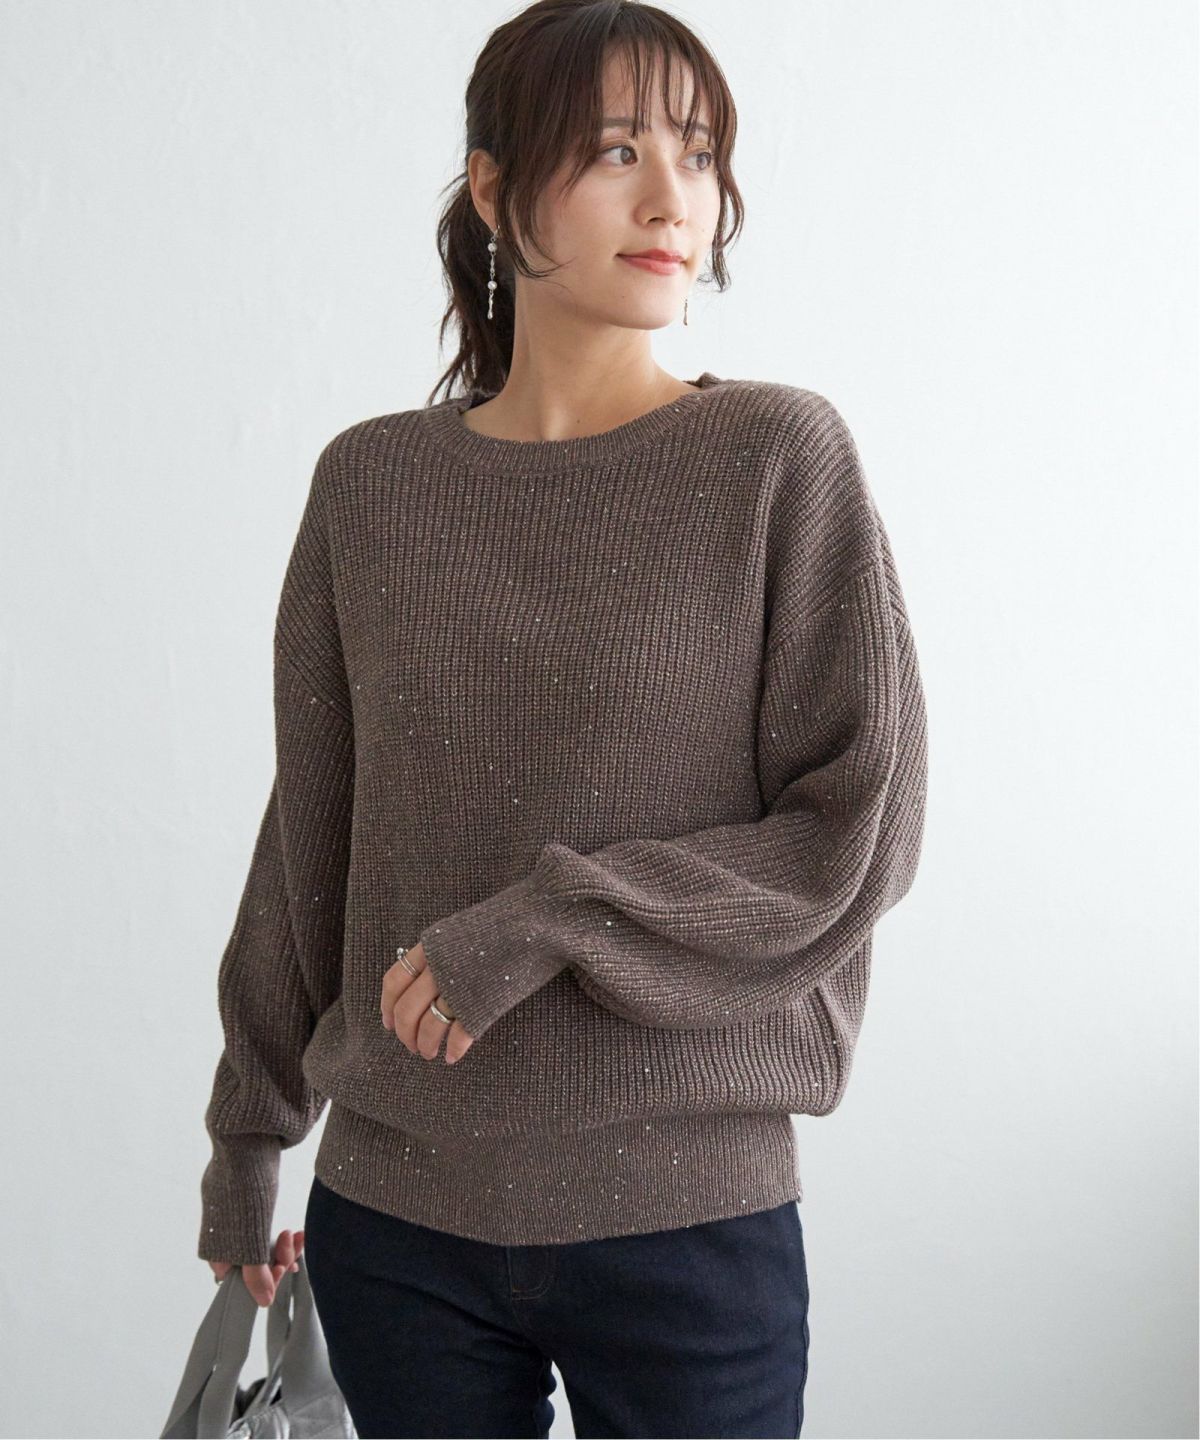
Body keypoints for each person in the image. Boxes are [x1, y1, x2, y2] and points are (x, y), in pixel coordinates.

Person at [197, 2, 929, 1436]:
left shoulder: (775, 459)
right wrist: (245, 1139)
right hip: (397, 1220)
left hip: (687, 1224)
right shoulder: (371, 488)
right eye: (614, 151)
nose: (674, 201)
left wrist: (544, 922)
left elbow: (857, 832)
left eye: (699, 155)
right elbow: (313, 832)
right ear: (493, 188)